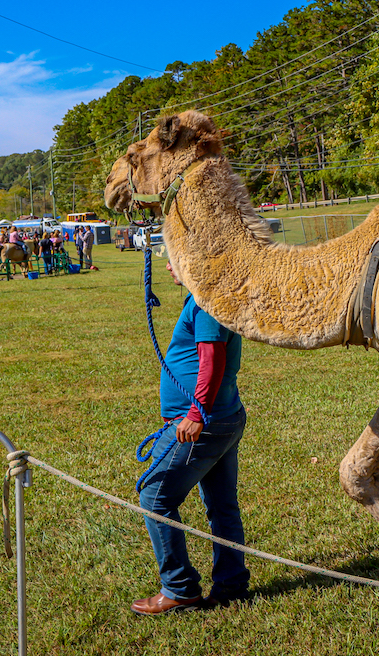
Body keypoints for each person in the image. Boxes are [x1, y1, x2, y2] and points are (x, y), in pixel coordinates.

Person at [131, 259, 251, 615]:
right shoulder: (211, 296)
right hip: (224, 419)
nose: (169, 266)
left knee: (154, 496)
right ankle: (231, 584)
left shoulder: (208, 303)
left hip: (206, 423)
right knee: (222, 505)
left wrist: (196, 413)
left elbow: (211, 358)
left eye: (177, 259)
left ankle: (180, 588)